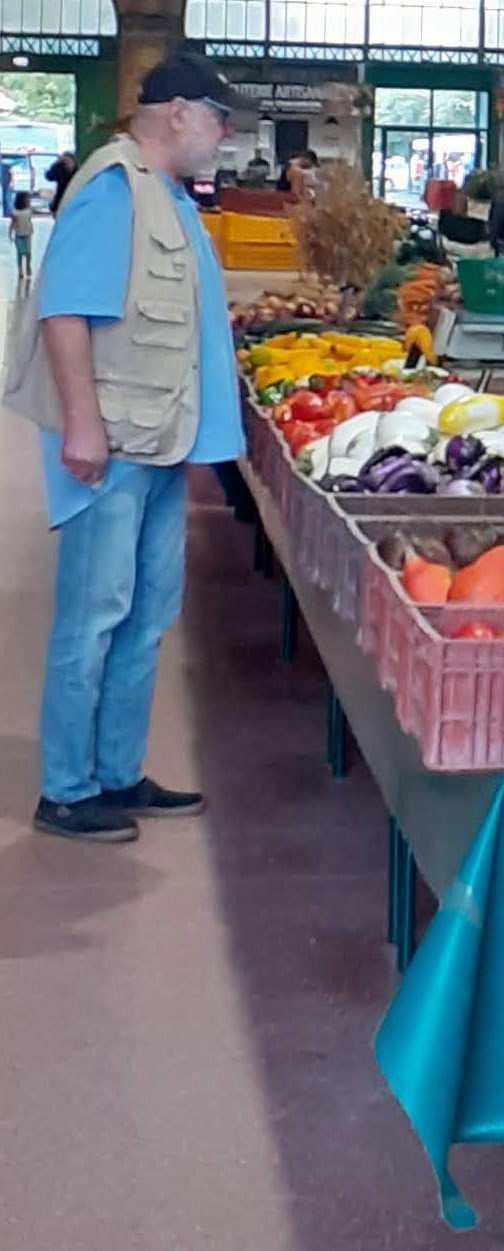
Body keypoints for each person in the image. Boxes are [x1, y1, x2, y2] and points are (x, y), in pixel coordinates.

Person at [3, 50, 251, 842]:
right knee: (93, 616)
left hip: (162, 440)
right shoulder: (113, 189)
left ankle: (116, 771)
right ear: (177, 113)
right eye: (218, 119)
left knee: (146, 615)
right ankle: (67, 791)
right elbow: (64, 311)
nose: (224, 136)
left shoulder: (167, 196)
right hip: (112, 444)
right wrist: (81, 424)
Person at [10, 189, 33, 293]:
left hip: (27, 234)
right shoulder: (15, 212)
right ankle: (20, 270)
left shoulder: (29, 210)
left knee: (28, 252)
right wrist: (10, 233)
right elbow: (12, 223)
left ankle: (28, 266)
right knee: (20, 253)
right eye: (27, 199)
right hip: (19, 234)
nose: (28, 200)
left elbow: (29, 221)